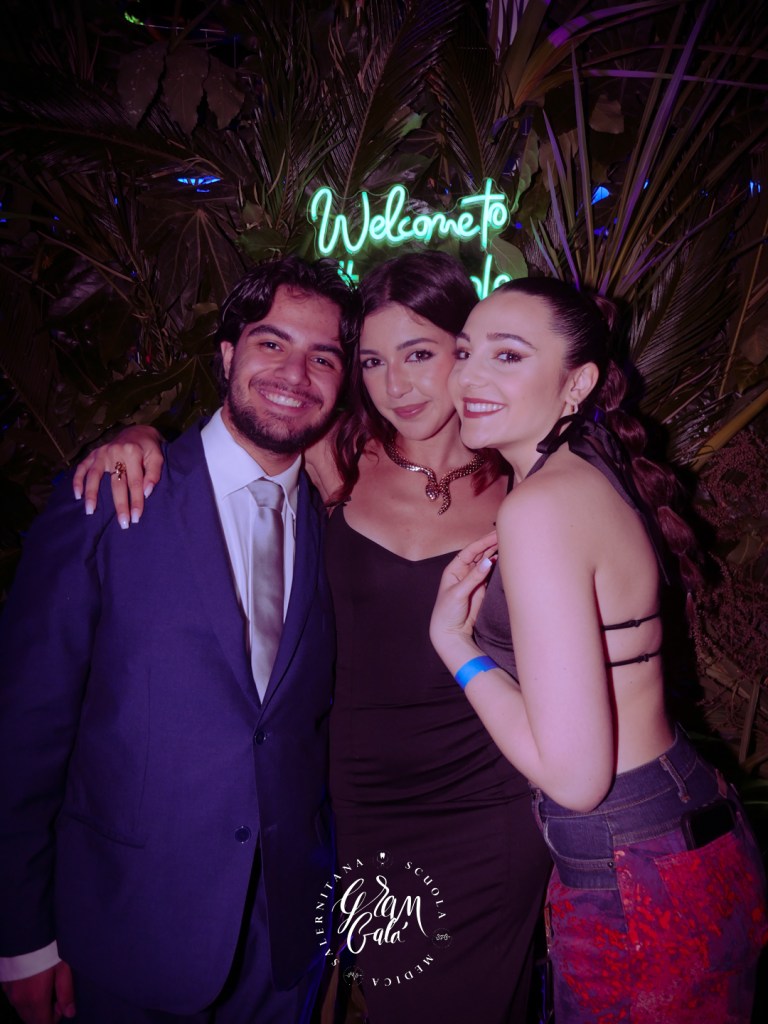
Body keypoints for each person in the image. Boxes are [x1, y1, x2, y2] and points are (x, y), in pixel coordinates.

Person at [68, 251, 553, 1024]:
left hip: (484, 802)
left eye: (420, 354)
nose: (396, 385)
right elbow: (236, 445)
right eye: (373, 361)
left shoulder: (526, 482)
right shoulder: (335, 456)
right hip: (354, 807)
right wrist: (136, 434)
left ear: (466, 351)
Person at [0, 255, 361, 1024]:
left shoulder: (336, 524)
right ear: (227, 355)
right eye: (271, 343)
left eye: (323, 357)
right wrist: (22, 936)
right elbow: (24, 730)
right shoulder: (109, 494)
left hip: (283, 946)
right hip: (127, 930)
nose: (294, 374)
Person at [429, 276, 768, 1023]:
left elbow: (576, 778)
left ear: (578, 382)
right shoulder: (587, 474)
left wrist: (454, 645)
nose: (469, 376)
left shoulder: (541, 505)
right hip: (678, 828)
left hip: (634, 862)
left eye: (508, 355)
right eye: (465, 351)